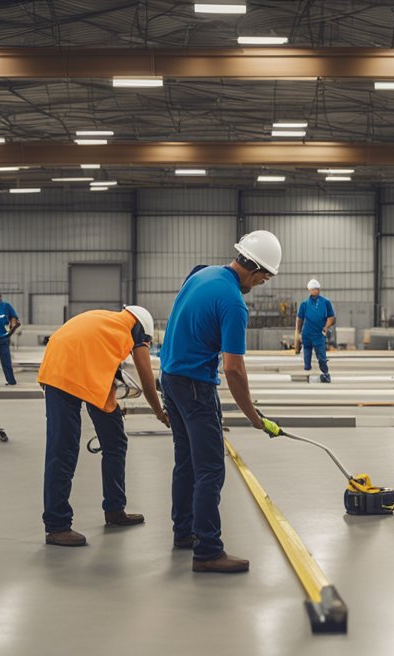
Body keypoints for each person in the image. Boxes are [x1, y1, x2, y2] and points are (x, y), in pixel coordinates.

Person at [160, 229, 285, 574]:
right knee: (211, 469)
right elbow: (234, 369)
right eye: (263, 279)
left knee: (186, 461)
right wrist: (253, 417)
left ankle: (184, 532)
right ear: (257, 271)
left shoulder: (202, 273)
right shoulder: (233, 302)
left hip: (170, 378)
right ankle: (208, 550)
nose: (260, 285)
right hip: (195, 386)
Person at [36, 305, 169, 547]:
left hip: (71, 367)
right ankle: (57, 526)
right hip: (62, 375)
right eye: (146, 342)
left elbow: (101, 364)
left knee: (115, 441)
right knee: (63, 449)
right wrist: (160, 412)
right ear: (143, 332)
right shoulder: (129, 331)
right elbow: (146, 377)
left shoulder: (106, 320)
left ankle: (115, 509)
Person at [295, 278, 336, 383]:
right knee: (306, 356)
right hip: (307, 333)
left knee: (322, 356)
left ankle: (325, 373)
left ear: (319, 289)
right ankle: (307, 373)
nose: (314, 291)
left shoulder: (325, 302)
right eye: (312, 289)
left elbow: (331, 317)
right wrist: (297, 332)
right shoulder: (304, 304)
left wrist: (326, 327)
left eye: (316, 289)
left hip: (319, 333)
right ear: (309, 290)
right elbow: (300, 318)